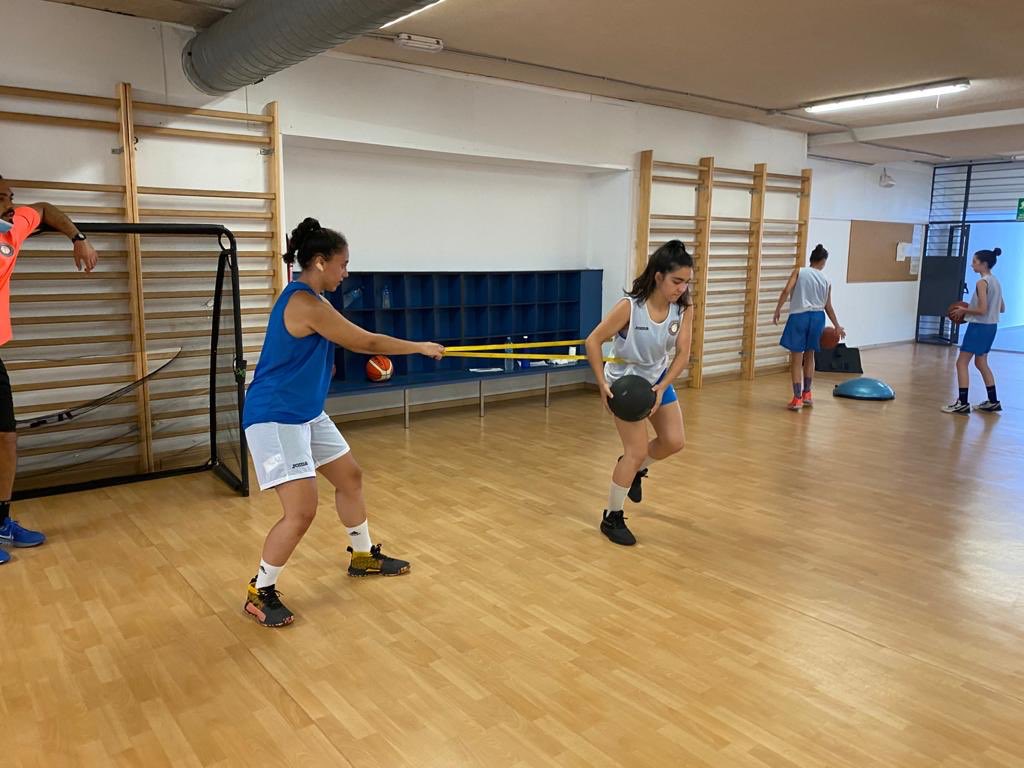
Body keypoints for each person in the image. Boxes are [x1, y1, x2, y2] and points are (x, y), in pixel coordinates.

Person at [241, 217, 444, 627]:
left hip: (306, 413)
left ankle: (363, 556)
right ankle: (259, 591)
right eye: (342, 264)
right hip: (275, 417)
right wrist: (420, 347)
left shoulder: (318, 301)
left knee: (349, 477)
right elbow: (365, 341)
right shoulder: (303, 302)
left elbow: (322, 345)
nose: (346, 272)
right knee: (300, 511)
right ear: (319, 262)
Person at [0, 175, 99, 565]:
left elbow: (43, 210)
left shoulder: (12, 226)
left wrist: (78, 238)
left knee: (7, 438)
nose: (9, 205)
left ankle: (2, 520)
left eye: (10, 197)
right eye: (0, 198)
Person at [584, 240, 693, 546]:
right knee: (636, 450)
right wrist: (601, 385)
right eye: (676, 281)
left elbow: (683, 354)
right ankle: (612, 516)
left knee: (674, 442)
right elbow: (592, 341)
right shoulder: (630, 307)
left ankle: (634, 470)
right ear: (658, 276)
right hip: (626, 383)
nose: (681, 288)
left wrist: (661, 387)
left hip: (657, 378)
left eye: (686, 282)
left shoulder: (683, 308)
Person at [772, 243, 845, 410]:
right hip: (818, 318)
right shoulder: (826, 280)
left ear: (812, 259)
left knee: (797, 359)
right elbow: (828, 306)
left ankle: (797, 398)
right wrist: (837, 326)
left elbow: (786, 291)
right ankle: (807, 394)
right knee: (810, 356)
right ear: (823, 261)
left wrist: (777, 309)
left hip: (800, 316)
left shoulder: (800, 271)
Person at [944, 247, 1005, 414]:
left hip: (979, 327)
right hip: (991, 327)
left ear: (984, 264)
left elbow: (982, 309)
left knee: (961, 363)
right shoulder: (996, 281)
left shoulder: (981, 282)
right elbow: (1002, 308)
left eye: (974, 262)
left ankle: (962, 403)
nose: (972, 265)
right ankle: (993, 401)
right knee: (981, 363)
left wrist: (964, 310)